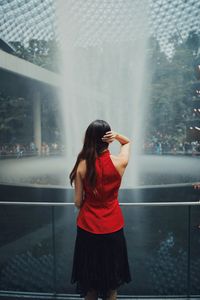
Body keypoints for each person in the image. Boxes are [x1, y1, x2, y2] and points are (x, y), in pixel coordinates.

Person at [70, 120, 131, 300]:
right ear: (108, 140)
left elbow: (78, 202)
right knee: (111, 287)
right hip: (113, 228)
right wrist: (117, 136)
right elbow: (127, 142)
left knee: (91, 287)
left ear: (89, 139)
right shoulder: (120, 162)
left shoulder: (82, 165)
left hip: (88, 229)